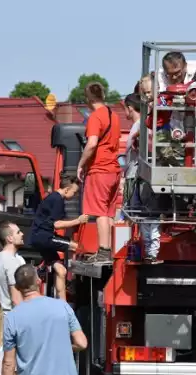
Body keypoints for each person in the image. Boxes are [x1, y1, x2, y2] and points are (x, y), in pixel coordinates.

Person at [2, 264, 88, 375]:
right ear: (39, 281)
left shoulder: (12, 318)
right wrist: (61, 346)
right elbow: (81, 342)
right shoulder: (61, 306)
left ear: (18, 288)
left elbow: (8, 363)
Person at [76, 82, 122, 264]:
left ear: (88, 99)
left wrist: (81, 164)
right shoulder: (115, 116)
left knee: (100, 212)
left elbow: (92, 143)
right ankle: (111, 250)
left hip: (100, 170)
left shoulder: (95, 117)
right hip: (114, 170)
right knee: (109, 213)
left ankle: (103, 252)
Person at [28, 174, 89, 301]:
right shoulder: (57, 200)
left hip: (38, 237)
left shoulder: (52, 198)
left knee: (60, 270)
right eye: (74, 192)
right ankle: (73, 281)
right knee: (77, 246)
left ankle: (63, 302)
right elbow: (57, 224)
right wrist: (78, 220)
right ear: (67, 190)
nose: (75, 195)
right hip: (45, 237)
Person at [123, 93, 162, 264]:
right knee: (141, 215)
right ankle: (146, 250)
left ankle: (150, 252)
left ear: (130, 108)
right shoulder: (142, 125)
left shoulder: (141, 126)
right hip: (138, 175)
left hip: (141, 175)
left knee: (146, 215)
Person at [0, 221, 26, 311]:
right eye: (18, 232)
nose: (22, 234)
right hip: (10, 316)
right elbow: (16, 300)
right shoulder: (11, 261)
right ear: (10, 238)